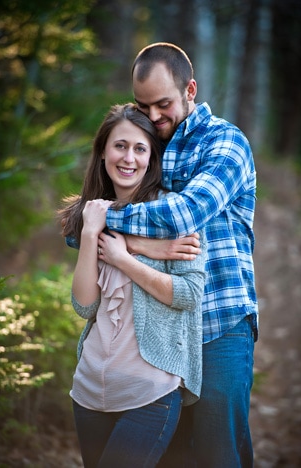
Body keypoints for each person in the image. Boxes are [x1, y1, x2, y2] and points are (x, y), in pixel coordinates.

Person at [107, 43, 258, 466]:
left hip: (219, 325)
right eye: (142, 105)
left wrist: (126, 239)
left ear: (190, 89)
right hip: (158, 334)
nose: (153, 117)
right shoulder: (143, 145)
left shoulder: (226, 142)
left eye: (163, 104)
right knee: (168, 457)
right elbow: (80, 225)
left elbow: (186, 212)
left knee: (217, 454)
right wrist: (103, 224)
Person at [60, 103, 207, 466]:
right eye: (120, 146)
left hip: (151, 393)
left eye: (140, 148)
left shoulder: (176, 213)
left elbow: (189, 295)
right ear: (103, 152)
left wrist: (124, 258)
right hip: (90, 391)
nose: (129, 158)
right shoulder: (91, 214)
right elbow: (85, 306)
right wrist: (92, 231)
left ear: (151, 158)